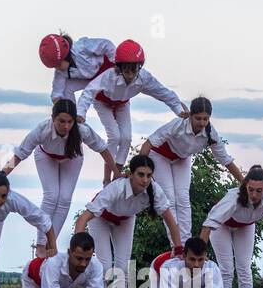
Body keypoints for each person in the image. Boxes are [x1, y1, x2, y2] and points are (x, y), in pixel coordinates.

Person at [4, 99, 117, 243]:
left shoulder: (82, 130)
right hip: (46, 157)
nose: (66, 126)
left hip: (72, 158)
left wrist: (116, 173)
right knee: (51, 196)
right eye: (61, 121)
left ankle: (51, 243)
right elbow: (20, 154)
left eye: (70, 121)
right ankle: (41, 243)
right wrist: (1, 174)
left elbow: (103, 149)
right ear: (53, 118)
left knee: (64, 198)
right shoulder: (42, 129)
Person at [77, 39, 187, 185]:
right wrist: (80, 113)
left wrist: (179, 110)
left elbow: (164, 93)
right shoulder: (110, 76)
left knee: (127, 137)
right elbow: (89, 92)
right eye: (126, 69)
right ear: (119, 67)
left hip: (123, 104)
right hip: (102, 102)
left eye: (133, 69)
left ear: (139, 67)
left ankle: (117, 175)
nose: (130, 74)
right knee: (115, 137)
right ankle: (106, 178)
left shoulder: (144, 78)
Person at [137, 95, 245, 239]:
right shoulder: (178, 124)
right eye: (198, 118)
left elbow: (226, 160)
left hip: (182, 158)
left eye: (205, 119)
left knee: (183, 198)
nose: (201, 123)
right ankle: (176, 244)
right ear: (190, 116)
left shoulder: (210, 133)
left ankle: (186, 241)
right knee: (169, 197)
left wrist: (244, 183)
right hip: (159, 156)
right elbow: (149, 143)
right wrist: (139, 171)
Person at [75, 154, 182, 279]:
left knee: (124, 268)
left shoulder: (155, 190)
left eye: (149, 175)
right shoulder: (117, 188)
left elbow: (170, 221)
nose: (145, 180)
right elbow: (82, 219)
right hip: (100, 219)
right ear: (130, 174)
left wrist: (179, 249)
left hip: (126, 220)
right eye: (141, 174)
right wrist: (78, 247)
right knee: (105, 266)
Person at [41, 32, 115, 103]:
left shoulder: (82, 47)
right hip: (91, 80)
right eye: (54, 66)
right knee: (65, 87)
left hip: (106, 70)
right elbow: (57, 91)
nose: (57, 68)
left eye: (58, 64)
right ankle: (71, 113)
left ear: (66, 55)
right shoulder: (60, 71)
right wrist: (58, 104)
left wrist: (116, 64)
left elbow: (107, 45)